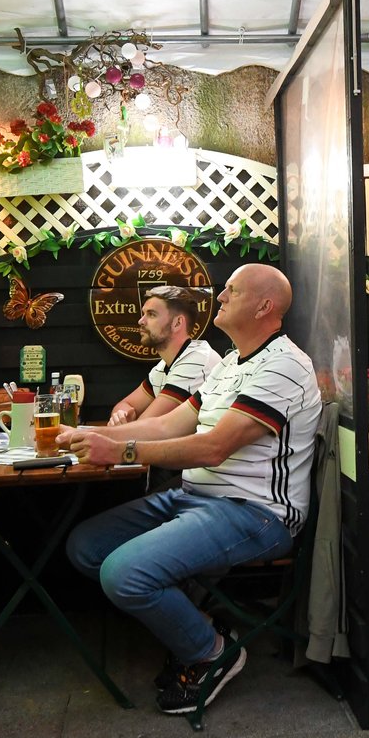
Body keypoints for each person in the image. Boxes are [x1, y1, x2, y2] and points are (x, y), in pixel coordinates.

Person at [61, 264, 320, 715]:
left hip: (255, 513)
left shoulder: (285, 366)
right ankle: (199, 618)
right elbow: (166, 423)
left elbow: (214, 447)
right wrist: (83, 434)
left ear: (265, 306)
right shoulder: (230, 364)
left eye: (231, 292)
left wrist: (120, 453)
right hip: (194, 500)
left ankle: (211, 650)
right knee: (85, 547)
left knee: (123, 573)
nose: (219, 297)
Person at [106, 285, 221, 425]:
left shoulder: (197, 360)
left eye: (151, 314)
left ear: (177, 323)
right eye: (144, 314)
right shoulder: (164, 365)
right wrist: (121, 415)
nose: (141, 321)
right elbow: (125, 405)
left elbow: (145, 428)